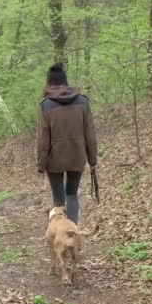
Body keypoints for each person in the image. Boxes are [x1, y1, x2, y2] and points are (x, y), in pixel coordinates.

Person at [36, 62, 98, 224]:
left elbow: (43, 139)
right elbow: (90, 134)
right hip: (77, 156)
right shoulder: (83, 102)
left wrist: (41, 164)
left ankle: (60, 235)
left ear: (49, 83)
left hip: (54, 160)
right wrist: (92, 160)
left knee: (59, 200)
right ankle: (73, 233)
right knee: (72, 196)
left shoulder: (46, 105)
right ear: (66, 82)